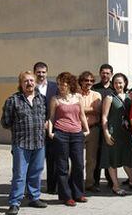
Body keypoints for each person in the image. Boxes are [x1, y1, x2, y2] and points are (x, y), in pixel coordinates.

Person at [1, 71, 48, 215]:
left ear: (35, 82)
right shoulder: (13, 100)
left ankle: (34, 197)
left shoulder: (41, 98)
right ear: (21, 83)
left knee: (36, 173)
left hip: (39, 142)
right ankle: (14, 202)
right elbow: (5, 122)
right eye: (26, 81)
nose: (29, 83)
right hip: (21, 143)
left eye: (31, 81)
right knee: (20, 175)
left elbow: (45, 117)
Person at [48, 72, 90, 206]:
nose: (61, 87)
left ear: (69, 84)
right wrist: (50, 132)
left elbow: (82, 115)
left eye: (63, 84)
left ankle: (78, 193)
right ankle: (66, 196)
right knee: (62, 167)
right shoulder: (55, 99)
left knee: (78, 164)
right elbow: (51, 117)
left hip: (77, 134)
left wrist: (86, 129)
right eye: (59, 84)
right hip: (61, 134)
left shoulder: (78, 97)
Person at [100, 73, 132, 196]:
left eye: (120, 82)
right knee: (113, 160)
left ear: (125, 83)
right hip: (113, 132)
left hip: (125, 134)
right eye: (116, 82)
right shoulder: (110, 97)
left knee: (127, 159)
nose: (118, 85)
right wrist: (106, 133)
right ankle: (116, 186)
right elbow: (104, 117)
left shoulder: (129, 96)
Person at [33, 62, 58, 194]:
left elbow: (58, 106)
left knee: (52, 159)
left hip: (51, 127)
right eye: (38, 72)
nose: (41, 74)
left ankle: (52, 188)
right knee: (36, 161)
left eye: (43, 72)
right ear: (34, 72)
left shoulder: (54, 87)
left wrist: (50, 122)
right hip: (34, 130)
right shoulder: (30, 86)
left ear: (47, 73)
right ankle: (32, 188)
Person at [78, 71, 102, 192]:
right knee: (77, 159)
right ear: (81, 81)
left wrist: (81, 109)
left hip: (93, 129)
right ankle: (76, 183)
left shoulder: (96, 94)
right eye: (86, 80)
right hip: (78, 130)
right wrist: (88, 109)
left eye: (91, 81)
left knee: (91, 159)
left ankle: (89, 183)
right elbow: (75, 110)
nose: (88, 83)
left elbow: (97, 109)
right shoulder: (75, 94)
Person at [92, 64, 114, 190]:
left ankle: (111, 179)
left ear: (111, 74)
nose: (105, 75)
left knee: (109, 153)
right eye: (103, 73)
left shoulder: (114, 88)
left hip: (110, 127)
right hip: (97, 126)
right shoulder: (95, 89)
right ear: (100, 73)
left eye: (107, 73)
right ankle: (95, 182)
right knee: (96, 154)